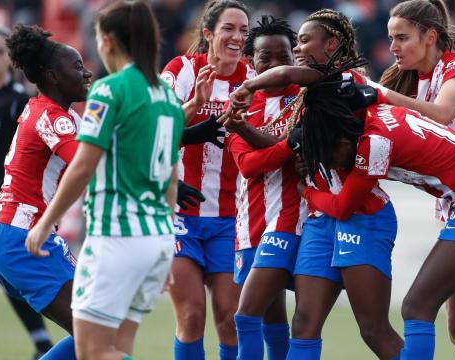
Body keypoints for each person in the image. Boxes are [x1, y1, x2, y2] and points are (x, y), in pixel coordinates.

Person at [294, 66, 455, 360]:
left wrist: (306, 191)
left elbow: (343, 206)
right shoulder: (373, 115)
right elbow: (334, 83)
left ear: (344, 142)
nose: (331, 166)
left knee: (417, 306)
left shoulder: (374, 143)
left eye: (329, 157)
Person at [229, 9, 402, 360]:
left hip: (359, 214)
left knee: (373, 329)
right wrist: (256, 132)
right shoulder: (307, 93)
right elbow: (281, 140)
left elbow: (290, 73)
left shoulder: (346, 80)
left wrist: (247, 85)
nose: (298, 48)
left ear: (333, 44)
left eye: (304, 41)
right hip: (321, 221)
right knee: (303, 323)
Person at [25, 1, 183, 359]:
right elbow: (171, 180)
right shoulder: (168, 97)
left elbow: (83, 166)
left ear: (107, 41)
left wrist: (45, 223)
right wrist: (166, 247)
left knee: (93, 351)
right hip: (155, 236)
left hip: (117, 236)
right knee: (118, 346)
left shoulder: (110, 91)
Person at [379, 1, 455, 358]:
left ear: (430, 37)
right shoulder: (411, 82)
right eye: (390, 38)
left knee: (422, 307)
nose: (393, 47)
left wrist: (380, 94)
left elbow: (443, 114)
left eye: (402, 37)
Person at [0, 24, 93, 359]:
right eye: (76, 66)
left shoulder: (44, 108)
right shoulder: (55, 118)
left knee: (95, 333)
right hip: (24, 236)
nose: (86, 72)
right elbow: (84, 165)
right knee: (98, 333)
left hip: (10, 235)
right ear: (52, 76)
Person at [160, 1, 252, 359]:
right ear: (208, 33)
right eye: (229, 28)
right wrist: (195, 105)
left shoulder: (253, 80)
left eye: (243, 30)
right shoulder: (181, 70)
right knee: (191, 313)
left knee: (231, 318)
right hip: (180, 214)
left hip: (231, 218)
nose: (237, 36)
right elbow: (156, 130)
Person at [0, 26, 54, 359]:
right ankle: (41, 342)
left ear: (11, 59)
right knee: (3, 275)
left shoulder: (19, 101)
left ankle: (41, 341)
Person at [225, 15, 303, 360]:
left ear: (294, 58)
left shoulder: (305, 98)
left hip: (292, 219)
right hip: (251, 224)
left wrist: (285, 149)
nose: (274, 65)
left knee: (246, 315)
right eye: (264, 58)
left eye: (283, 57)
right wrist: (291, 147)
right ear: (250, 62)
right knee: (273, 317)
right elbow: (248, 165)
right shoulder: (241, 104)